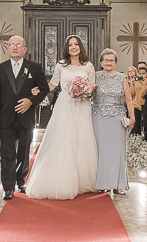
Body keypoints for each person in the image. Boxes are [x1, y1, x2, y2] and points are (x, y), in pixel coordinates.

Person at [24, 35, 98, 199]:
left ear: (81, 47)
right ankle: (63, 178)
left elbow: (92, 85)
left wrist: (86, 89)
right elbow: (52, 83)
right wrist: (38, 91)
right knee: (64, 137)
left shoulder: (88, 66)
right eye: (70, 44)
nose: (73, 47)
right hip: (65, 103)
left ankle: (83, 180)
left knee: (82, 136)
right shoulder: (61, 64)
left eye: (76, 44)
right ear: (66, 48)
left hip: (82, 104)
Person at [0, 35, 50, 200]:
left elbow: (44, 89)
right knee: (7, 153)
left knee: (23, 152)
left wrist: (31, 101)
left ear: (25, 49)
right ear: (8, 48)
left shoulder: (34, 68)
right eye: (12, 45)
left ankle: (20, 181)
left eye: (19, 45)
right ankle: (8, 188)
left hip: (26, 118)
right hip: (5, 117)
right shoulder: (0, 69)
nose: (15, 47)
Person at [93, 48, 134, 195]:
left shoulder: (122, 77)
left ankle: (118, 185)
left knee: (118, 151)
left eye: (111, 60)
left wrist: (132, 117)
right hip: (99, 116)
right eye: (106, 60)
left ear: (116, 62)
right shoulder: (95, 76)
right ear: (101, 62)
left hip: (117, 118)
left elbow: (128, 99)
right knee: (101, 150)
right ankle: (101, 183)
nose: (109, 63)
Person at [131, 62, 147, 136]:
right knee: (137, 123)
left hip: (145, 104)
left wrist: (146, 84)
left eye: (143, 74)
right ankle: (136, 137)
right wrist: (132, 83)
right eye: (140, 74)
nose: (142, 76)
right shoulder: (135, 82)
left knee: (145, 123)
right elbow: (131, 94)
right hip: (137, 104)